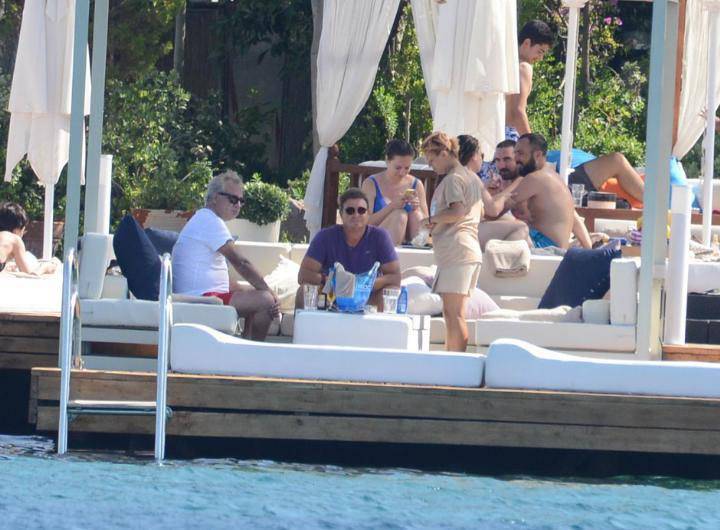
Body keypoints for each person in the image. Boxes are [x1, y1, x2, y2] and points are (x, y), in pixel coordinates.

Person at [172, 170, 280, 341]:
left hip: (199, 295)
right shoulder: (210, 221)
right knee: (266, 300)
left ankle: (244, 347)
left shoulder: (204, 219)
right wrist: (269, 292)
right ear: (215, 197)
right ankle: (254, 352)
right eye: (232, 199)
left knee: (257, 294)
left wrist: (256, 290)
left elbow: (221, 279)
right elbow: (241, 263)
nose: (238, 205)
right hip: (200, 298)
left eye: (241, 201)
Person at [420, 132, 484, 352]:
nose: (431, 166)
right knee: (456, 313)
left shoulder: (452, 179)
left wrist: (430, 220)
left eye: (432, 160)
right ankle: (454, 358)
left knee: (453, 314)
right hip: (469, 250)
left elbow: (457, 212)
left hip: (457, 251)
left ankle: (454, 361)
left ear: (445, 153)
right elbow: (474, 213)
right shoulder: (472, 177)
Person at [484, 133, 592, 249]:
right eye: (515, 153)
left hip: (546, 248)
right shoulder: (553, 176)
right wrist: (588, 248)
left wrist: (481, 189)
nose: (516, 158)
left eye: (520, 153)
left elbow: (493, 213)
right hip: (555, 247)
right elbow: (575, 219)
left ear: (537, 155)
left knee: (497, 229)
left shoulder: (535, 178)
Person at [297, 188, 401, 309]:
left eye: (361, 210)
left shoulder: (380, 237)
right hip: (331, 295)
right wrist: (331, 281)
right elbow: (303, 275)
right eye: (350, 211)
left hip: (367, 297)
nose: (356, 215)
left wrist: (362, 285)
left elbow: (395, 277)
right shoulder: (325, 236)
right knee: (303, 291)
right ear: (341, 214)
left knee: (391, 291)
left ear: (368, 214)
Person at [465, 138, 532, 250]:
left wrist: (487, 193)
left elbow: (492, 213)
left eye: (507, 159)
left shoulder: (525, 181)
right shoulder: (498, 182)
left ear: (517, 158)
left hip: (532, 238)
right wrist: (488, 192)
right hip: (516, 236)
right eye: (497, 160)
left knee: (515, 224)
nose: (501, 165)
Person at [361, 139, 429, 246]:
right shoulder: (371, 184)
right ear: (387, 161)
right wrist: (392, 206)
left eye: (407, 168)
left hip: (409, 240)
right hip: (376, 242)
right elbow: (364, 223)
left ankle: (417, 250)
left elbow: (427, 225)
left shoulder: (416, 184)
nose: (402, 172)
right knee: (400, 215)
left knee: (416, 214)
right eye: (398, 168)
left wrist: (417, 208)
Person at [506, 20, 554, 140]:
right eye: (540, 51)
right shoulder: (524, 67)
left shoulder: (506, 63)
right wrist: (532, 144)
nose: (540, 58)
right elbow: (518, 111)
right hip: (511, 135)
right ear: (527, 43)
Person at [0, 202, 57, 275]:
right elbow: (30, 275)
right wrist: (45, 268)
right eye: (23, 231)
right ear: (17, 230)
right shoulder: (15, 239)